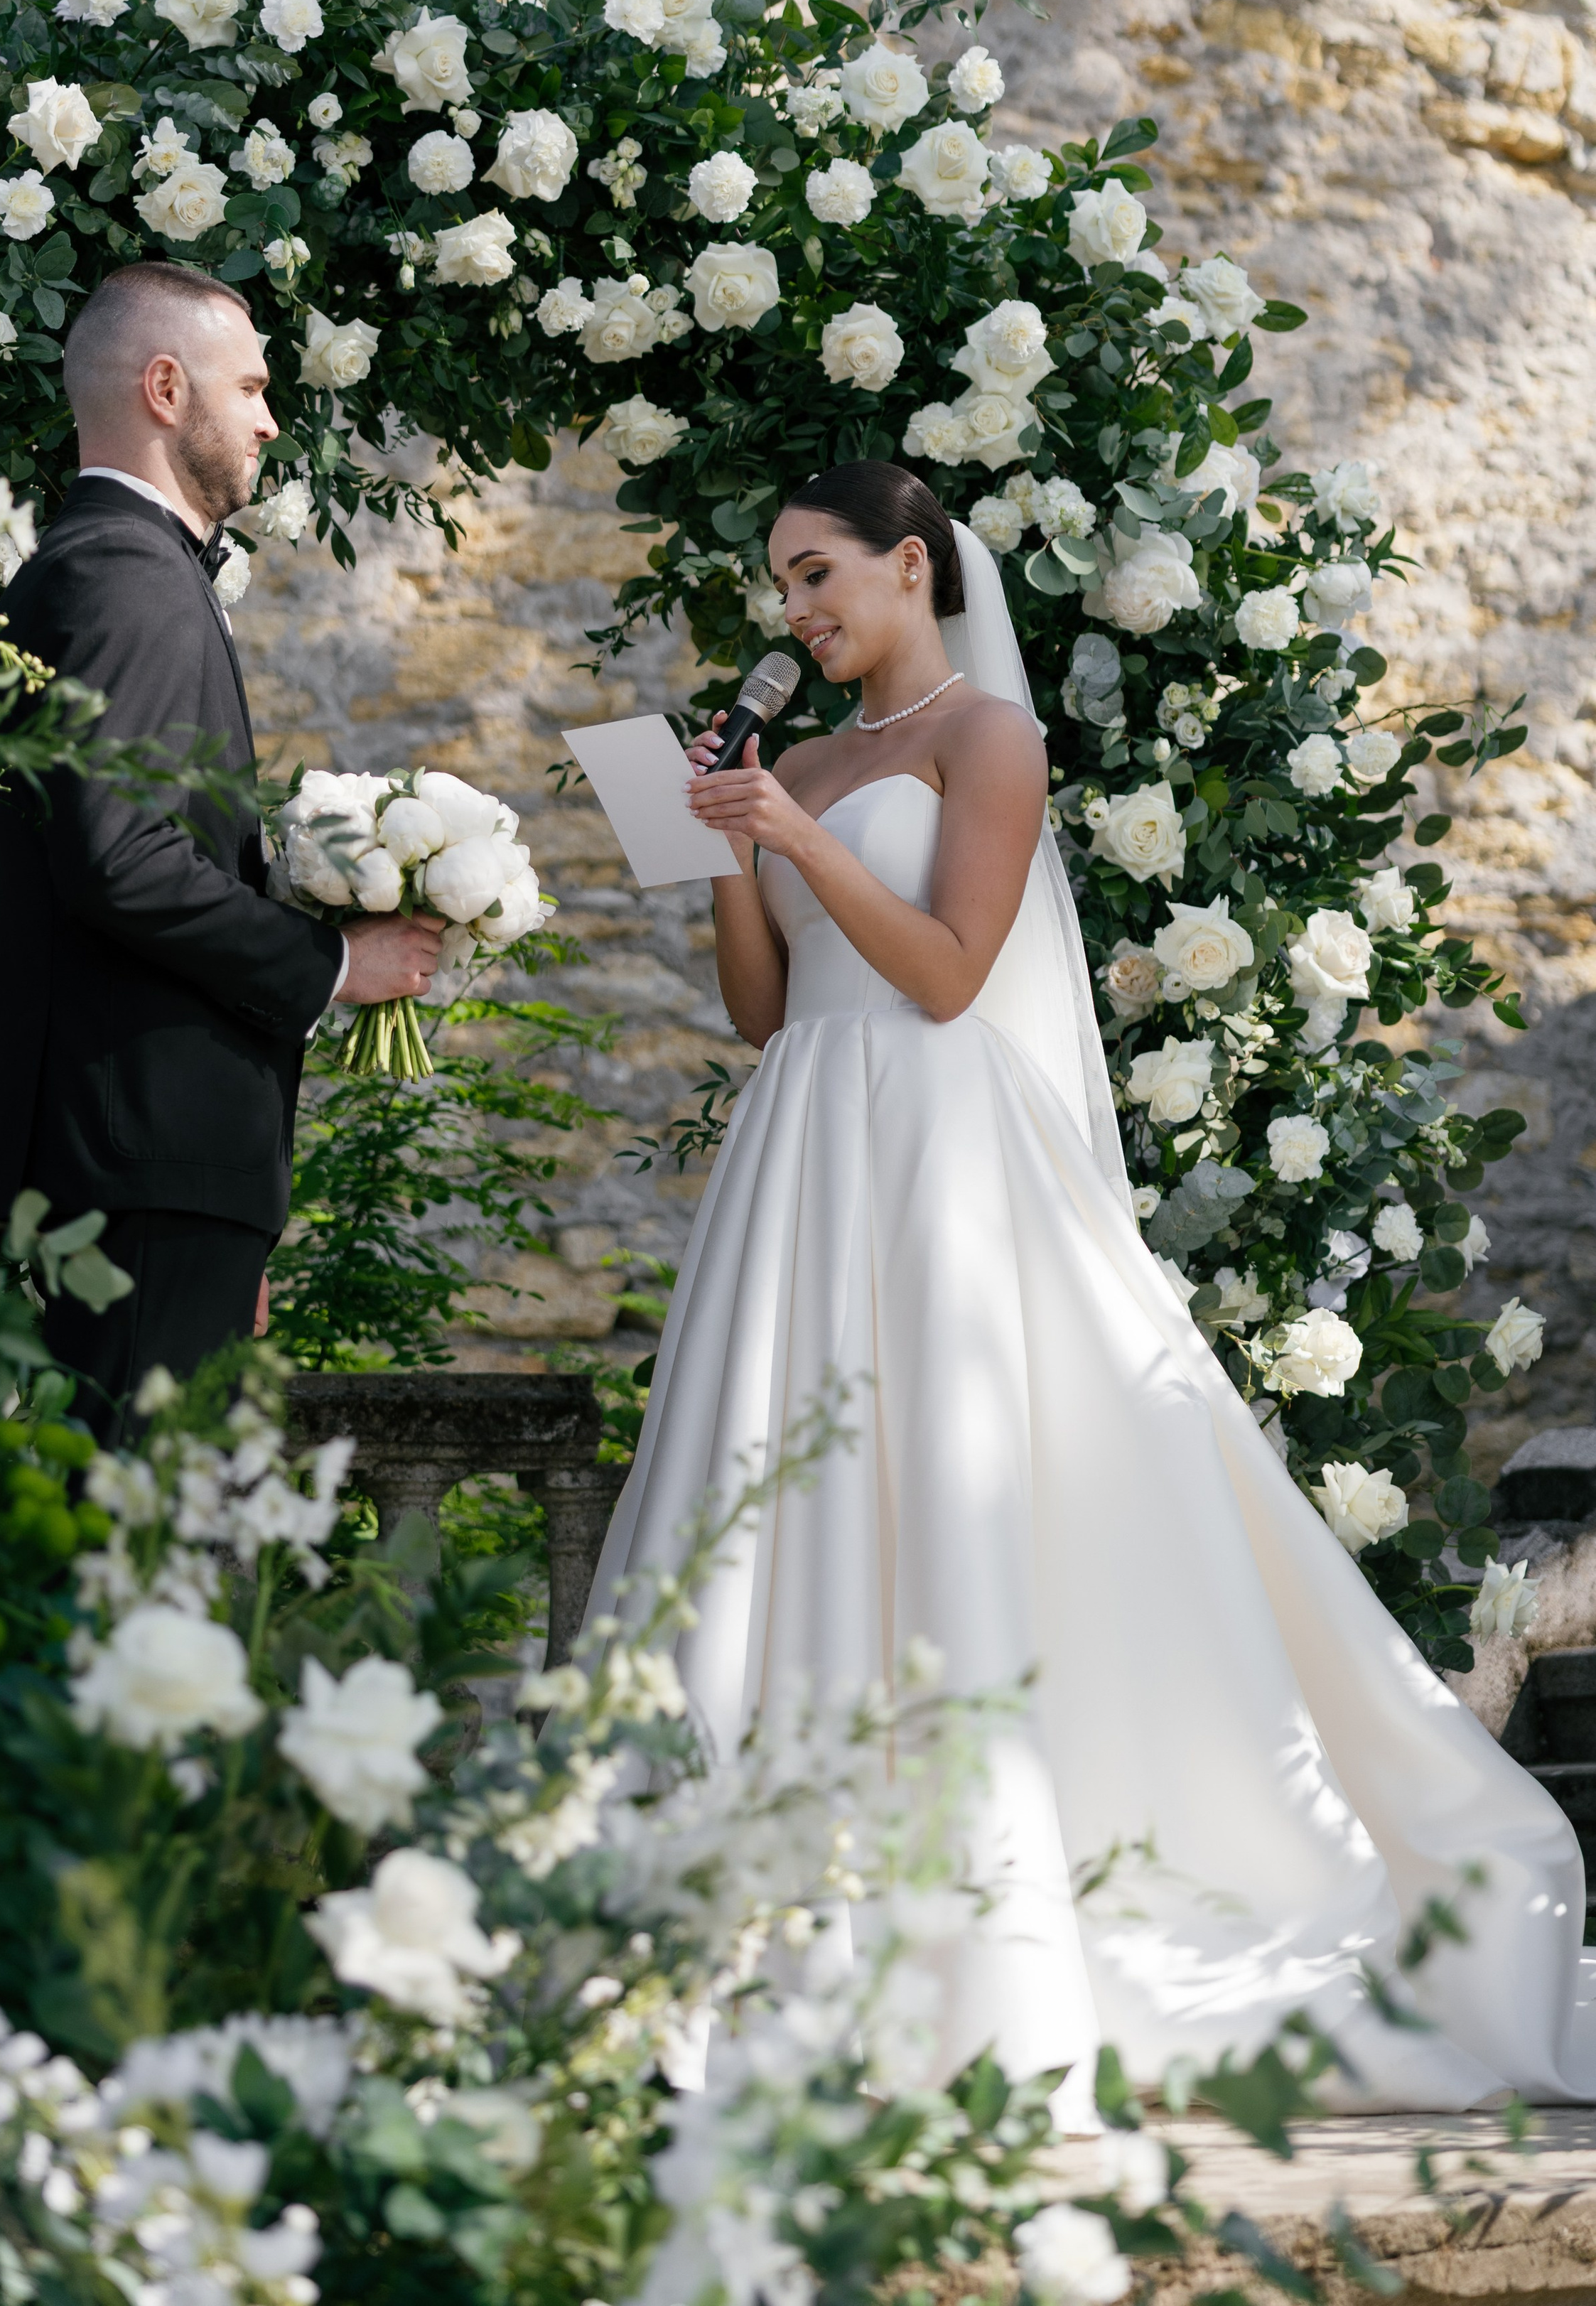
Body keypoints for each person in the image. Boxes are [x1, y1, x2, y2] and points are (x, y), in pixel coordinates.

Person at [586, 458, 1596, 2121]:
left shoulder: (989, 740)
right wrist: (722, 846)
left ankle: (997, 1914)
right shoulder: (811, 757)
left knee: (960, 1495)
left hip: (940, 1155)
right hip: (801, 1155)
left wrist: (793, 839)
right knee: (792, 1495)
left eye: (819, 573)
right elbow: (766, 1014)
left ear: (912, 569)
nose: (796, 613)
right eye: (780, 585)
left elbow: (943, 970)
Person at [0, 261, 442, 1432]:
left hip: (150, 1174)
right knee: (125, 1554)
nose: (272, 419)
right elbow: (119, 856)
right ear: (167, 389)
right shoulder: (127, 573)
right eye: (254, 387)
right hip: (139, 1165)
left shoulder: (114, 567)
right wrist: (332, 964)